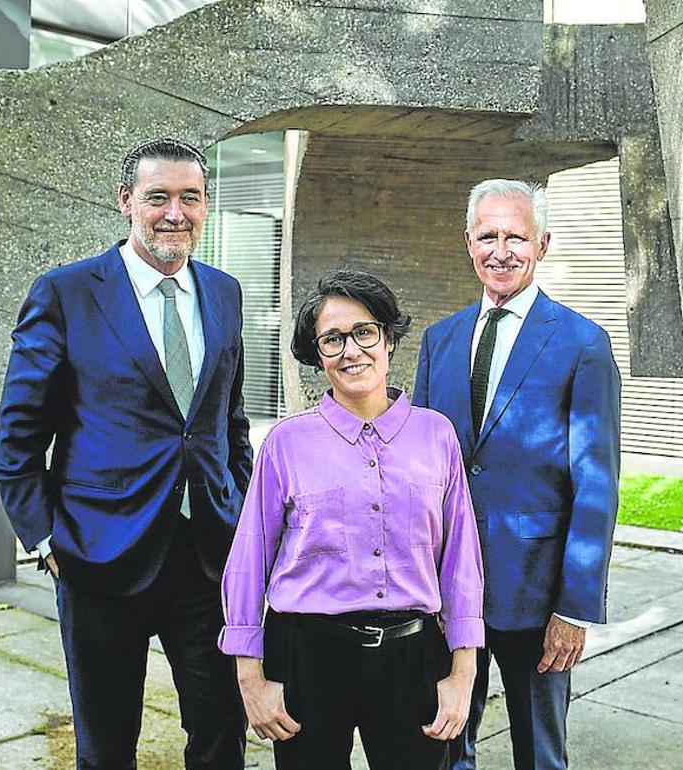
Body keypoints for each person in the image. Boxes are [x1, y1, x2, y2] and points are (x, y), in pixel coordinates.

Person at [0, 138, 251, 770]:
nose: (174, 213)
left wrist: (242, 510)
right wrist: (45, 539)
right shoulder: (67, 293)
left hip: (207, 557)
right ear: (126, 202)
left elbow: (229, 424)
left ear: (206, 206)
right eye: (157, 196)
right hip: (98, 555)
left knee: (221, 735)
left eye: (190, 198)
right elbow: (18, 436)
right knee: (106, 747)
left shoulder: (224, 292)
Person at [218, 269, 484, 770]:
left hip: (412, 657)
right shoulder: (285, 445)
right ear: (317, 355)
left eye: (364, 332)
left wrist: (462, 673)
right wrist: (250, 679)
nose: (351, 350)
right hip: (307, 657)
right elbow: (249, 560)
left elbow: (461, 561)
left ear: (388, 338)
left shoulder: (437, 437)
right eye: (332, 339)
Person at [412, 179, 622, 770]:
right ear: (467, 242)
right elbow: (423, 468)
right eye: (487, 236)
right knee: (444, 741)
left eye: (516, 237)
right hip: (445, 588)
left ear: (543, 244)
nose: (500, 251)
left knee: (540, 752)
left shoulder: (583, 344)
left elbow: (597, 485)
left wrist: (575, 607)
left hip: (536, 593)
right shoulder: (440, 340)